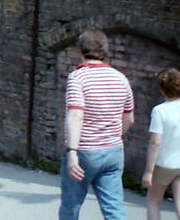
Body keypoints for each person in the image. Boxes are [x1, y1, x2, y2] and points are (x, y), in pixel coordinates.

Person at [58, 29, 135, 220]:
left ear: (80, 50)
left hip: (85, 151)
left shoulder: (78, 77)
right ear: (105, 51)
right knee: (115, 209)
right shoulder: (121, 78)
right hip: (113, 151)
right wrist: (113, 136)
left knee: (71, 207)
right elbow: (129, 119)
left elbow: (76, 115)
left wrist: (72, 153)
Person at [142, 67, 180, 220]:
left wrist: (149, 171)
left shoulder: (159, 111)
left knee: (153, 201)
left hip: (164, 164)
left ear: (161, 88)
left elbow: (155, 142)